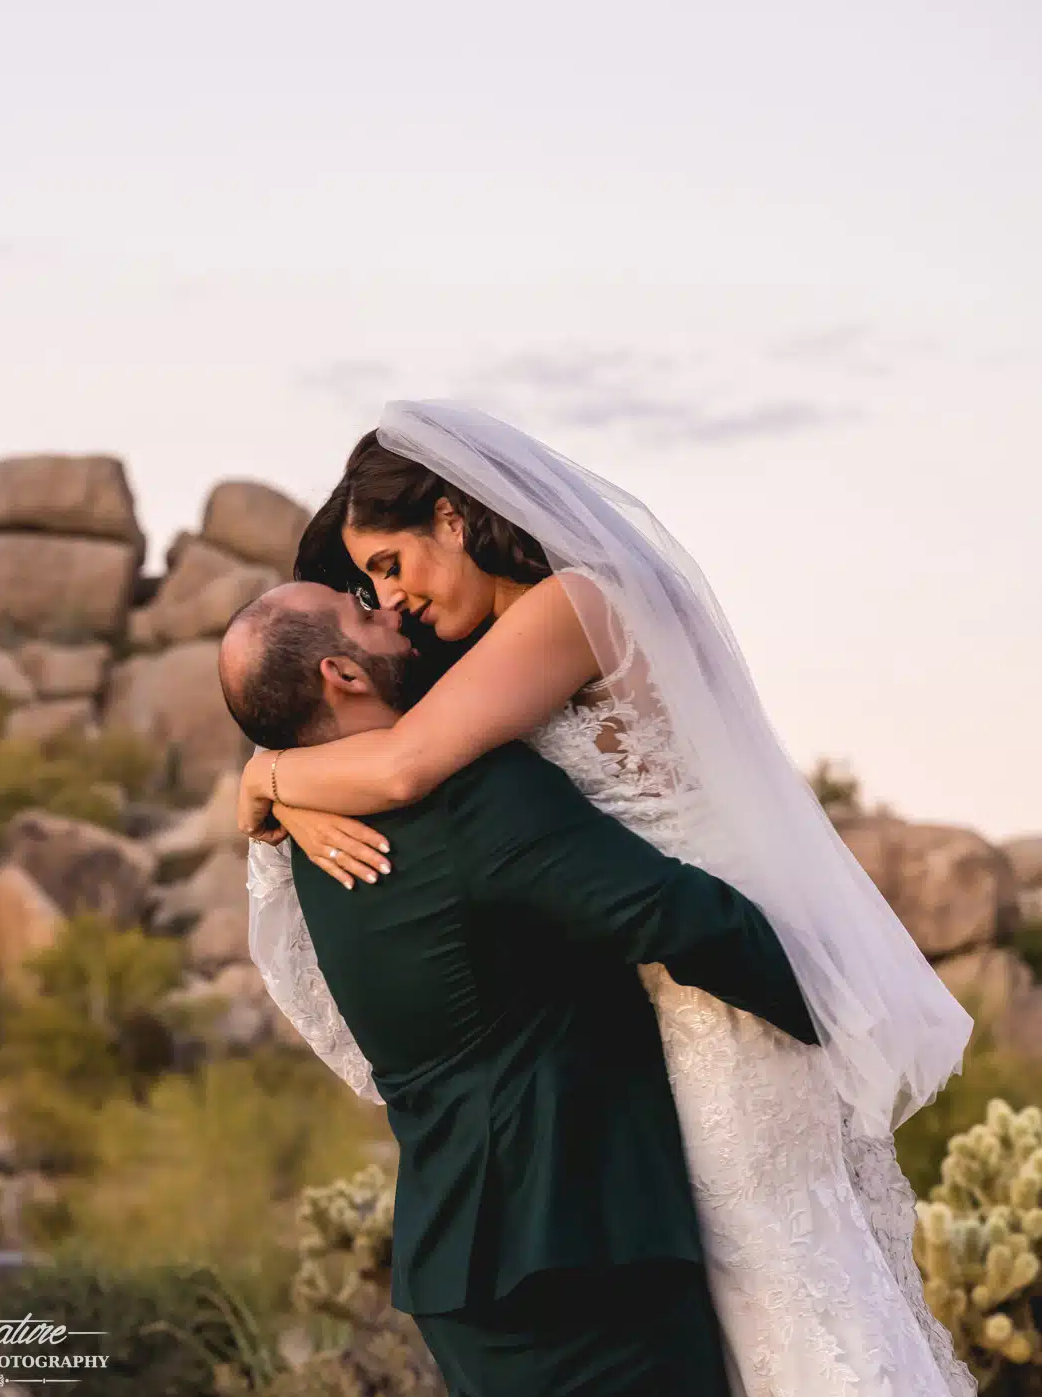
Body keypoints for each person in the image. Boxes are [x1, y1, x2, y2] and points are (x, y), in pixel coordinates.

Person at [237, 403, 974, 1396]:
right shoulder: (492, 643)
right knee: (750, 1293)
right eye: (371, 588)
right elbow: (379, 737)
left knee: (779, 1279)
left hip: (722, 979)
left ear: (452, 516)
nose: (392, 600)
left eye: (390, 566)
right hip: (666, 994)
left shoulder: (578, 602)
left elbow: (406, 761)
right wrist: (279, 773)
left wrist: (272, 778)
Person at [218, 582, 821, 1397]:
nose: (391, 610)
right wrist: (832, 1004)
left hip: (460, 1270)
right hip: (580, 1250)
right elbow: (674, 915)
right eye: (364, 611)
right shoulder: (472, 799)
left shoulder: (308, 844)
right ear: (343, 673)